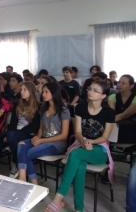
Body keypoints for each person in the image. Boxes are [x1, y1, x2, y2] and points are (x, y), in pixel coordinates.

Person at [46, 81, 115, 212]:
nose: (90, 92)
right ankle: (79, 209)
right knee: (80, 164)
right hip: (81, 144)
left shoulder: (109, 112)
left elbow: (105, 137)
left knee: (75, 154)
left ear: (103, 96)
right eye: (90, 89)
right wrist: (83, 142)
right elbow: (78, 132)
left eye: (95, 90)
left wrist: (90, 143)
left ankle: (58, 197)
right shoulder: (80, 107)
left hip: (99, 149)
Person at [17, 82, 70, 185]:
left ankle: (31, 181)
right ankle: (23, 178)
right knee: (21, 144)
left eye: (46, 92)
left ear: (54, 93)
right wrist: (37, 137)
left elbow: (64, 135)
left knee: (26, 154)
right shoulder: (43, 108)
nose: (43, 94)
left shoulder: (63, 110)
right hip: (44, 140)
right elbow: (41, 128)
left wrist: (42, 140)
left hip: (57, 144)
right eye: (43, 92)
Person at [108, 74, 136, 144]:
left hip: (132, 127)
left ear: (131, 86)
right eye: (119, 82)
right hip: (116, 125)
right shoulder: (113, 97)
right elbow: (112, 113)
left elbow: (125, 115)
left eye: (123, 83)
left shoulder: (135, 97)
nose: (119, 85)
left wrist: (107, 121)